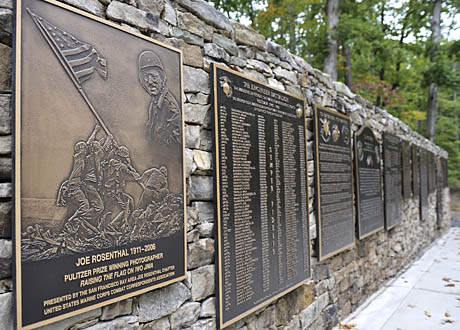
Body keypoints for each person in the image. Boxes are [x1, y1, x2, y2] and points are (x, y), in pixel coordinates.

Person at [138, 50, 181, 144]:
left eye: (153, 77)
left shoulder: (170, 107)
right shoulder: (154, 103)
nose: (149, 82)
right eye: (146, 77)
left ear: (162, 78)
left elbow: (174, 146)